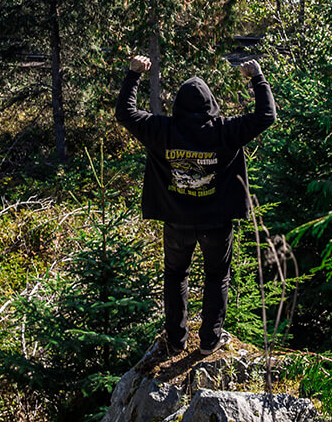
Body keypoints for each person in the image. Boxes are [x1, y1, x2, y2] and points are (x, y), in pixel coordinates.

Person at [115, 54, 277, 356]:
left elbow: (125, 113)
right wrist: (258, 78)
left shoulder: (161, 130)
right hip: (216, 222)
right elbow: (266, 116)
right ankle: (208, 341)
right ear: (211, 103)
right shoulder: (225, 130)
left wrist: (134, 74)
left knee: (176, 275)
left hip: (177, 221)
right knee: (217, 276)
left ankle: (176, 341)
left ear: (178, 104)